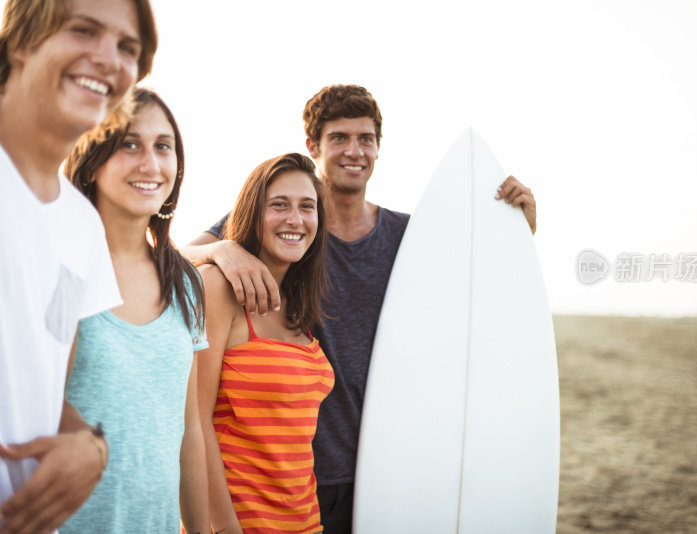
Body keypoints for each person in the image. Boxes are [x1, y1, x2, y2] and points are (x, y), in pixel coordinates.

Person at [182, 84, 537, 533]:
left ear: (378, 148)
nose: (355, 151)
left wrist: (515, 231)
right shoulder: (290, 225)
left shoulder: (410, 235)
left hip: (382, 468)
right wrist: (223, 251)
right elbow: (171, 256)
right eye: (339, 138)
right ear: (313, 147)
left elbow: (477, 286)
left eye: (366, 139)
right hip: (294, 461)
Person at [0, 1, 157, 532]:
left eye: (127, 48)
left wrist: (91, 447)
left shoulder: (80, 226)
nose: (107, 59)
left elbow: (43, 383)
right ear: (21, 38)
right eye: (83, 31)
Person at [57, 87, 208, 533]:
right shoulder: (62, 272)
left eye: (164, 146)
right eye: (130, 144)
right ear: (92, 160)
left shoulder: (186, 284)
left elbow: (190, 427)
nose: (151, 163)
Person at [197, 153, 333, 534]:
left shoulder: (297, 304)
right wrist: (222, 529)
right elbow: (194, 422)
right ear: (253, 213)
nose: (295, 219)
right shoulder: (218, 289)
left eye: (307, 206)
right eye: (279, 205)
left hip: (306, 523)